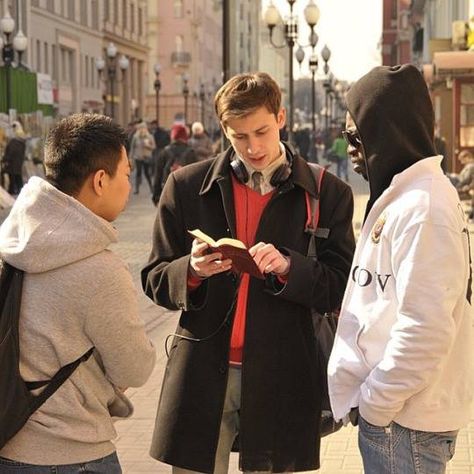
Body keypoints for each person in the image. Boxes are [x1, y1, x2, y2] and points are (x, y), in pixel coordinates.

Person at [142, 72, 355, 473]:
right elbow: (154, 277)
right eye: (239, 136)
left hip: (284, 371)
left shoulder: (328, 192)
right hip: (202, 370)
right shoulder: (185, 186)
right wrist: (191, 271)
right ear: (224, 129)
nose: (253, 147)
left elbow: (341, 287)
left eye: (261, 131)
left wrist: (293, 268)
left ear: (281, 117)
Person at [328, 65, 473, 474]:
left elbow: (425, 330)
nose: (351, 150)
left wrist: (377, 404)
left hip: (405, 425)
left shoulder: (422, 208)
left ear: (387, 131)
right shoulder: (410, 196)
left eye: (357, 136)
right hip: (403, 420)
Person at [0, 113, 156, 473]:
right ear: (101, 180)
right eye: (128, 174)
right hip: (76, 453)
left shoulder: (10, 243)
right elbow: (135, 369)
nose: (130, 186)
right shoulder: (101, 271)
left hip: (9, 443)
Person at [151, 123, 197, 205]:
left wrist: (156, 196)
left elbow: (158, 175)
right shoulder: (191, 153)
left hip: (167, 190)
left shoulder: (164, 152)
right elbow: (195, 176)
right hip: (186, 193)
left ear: (172, 136)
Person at [130, 121, 156, 194]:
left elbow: (154, 147)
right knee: (138, 173)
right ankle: (137, 189)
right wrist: (130, 157)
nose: (142, 130)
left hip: (146, 157)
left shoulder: (150, 136)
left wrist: (148, 146)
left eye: (143, 128)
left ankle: (151, 188)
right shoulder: (135, 137)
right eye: (140, 128)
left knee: (147, 173)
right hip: (138, 157)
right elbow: (132, 148)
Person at [2, 121, 27, 195]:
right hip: (18, 162)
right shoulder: (22, 141)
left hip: (12, 164)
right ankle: (21, 192)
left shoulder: (13, 141)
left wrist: (5, 159)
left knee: (12, 179)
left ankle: (12, 193)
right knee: (18, 177)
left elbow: (10, 152)